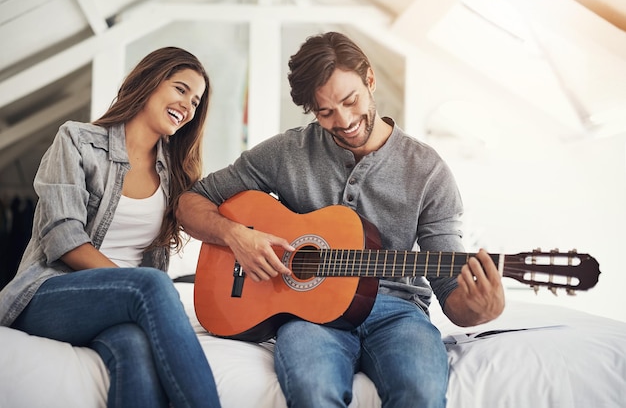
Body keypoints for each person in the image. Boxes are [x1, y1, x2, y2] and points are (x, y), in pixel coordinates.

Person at [177, 32, 505, 408]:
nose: (345, 120)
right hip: (309, 316)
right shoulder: (288, 151)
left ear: (370, 81)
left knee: (422, 394)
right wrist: (235, 235)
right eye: (326, 112)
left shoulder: (428, 170)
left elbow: (450, 288)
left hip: (398, 314)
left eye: (350, 101)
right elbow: (190, 201)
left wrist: (480, 310)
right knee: (312, 391)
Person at [0, 47, 221, 408]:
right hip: (48, 294)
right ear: (150, 82)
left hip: (122, 307)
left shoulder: (176, 174)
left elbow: (221, 205)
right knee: (153, 284)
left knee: (133, 347)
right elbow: (63, 239)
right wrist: (132, 285)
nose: (188, 106)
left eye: (196, 101)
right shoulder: (77, 141)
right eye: (181, 89)